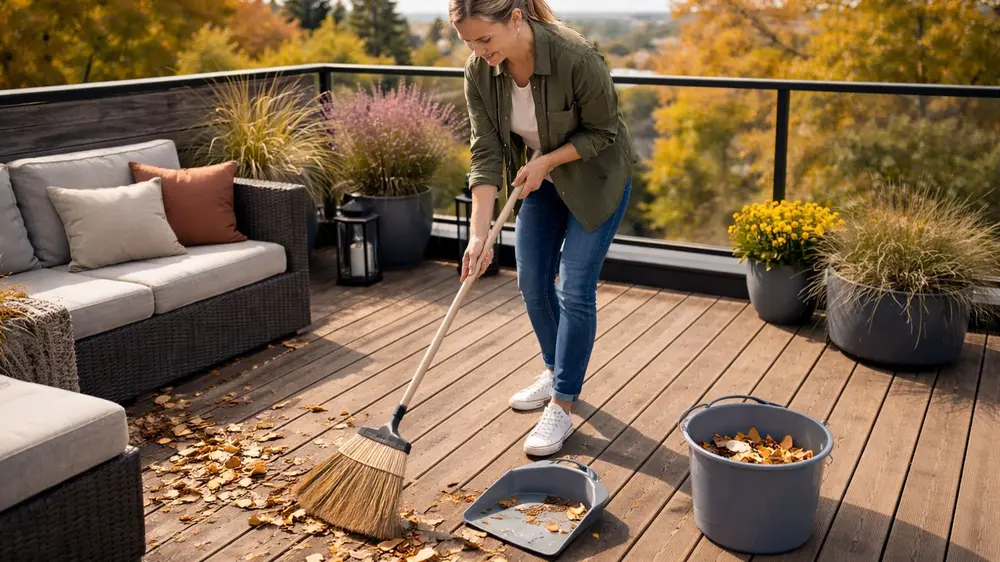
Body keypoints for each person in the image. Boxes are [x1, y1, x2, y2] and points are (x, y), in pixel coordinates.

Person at [451, 0, 637, 456]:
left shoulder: (576, 56)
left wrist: (548, 161)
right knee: (532, 283)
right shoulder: (479, 72)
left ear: (515, 18)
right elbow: (485, 152)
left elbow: (603, 131)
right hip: (537, 181)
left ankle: (563, 402)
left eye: (485, 38)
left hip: (595, 178)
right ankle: (555, 370)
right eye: (468, 42)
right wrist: (478, 236)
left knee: (574, 287)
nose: (478, 51)